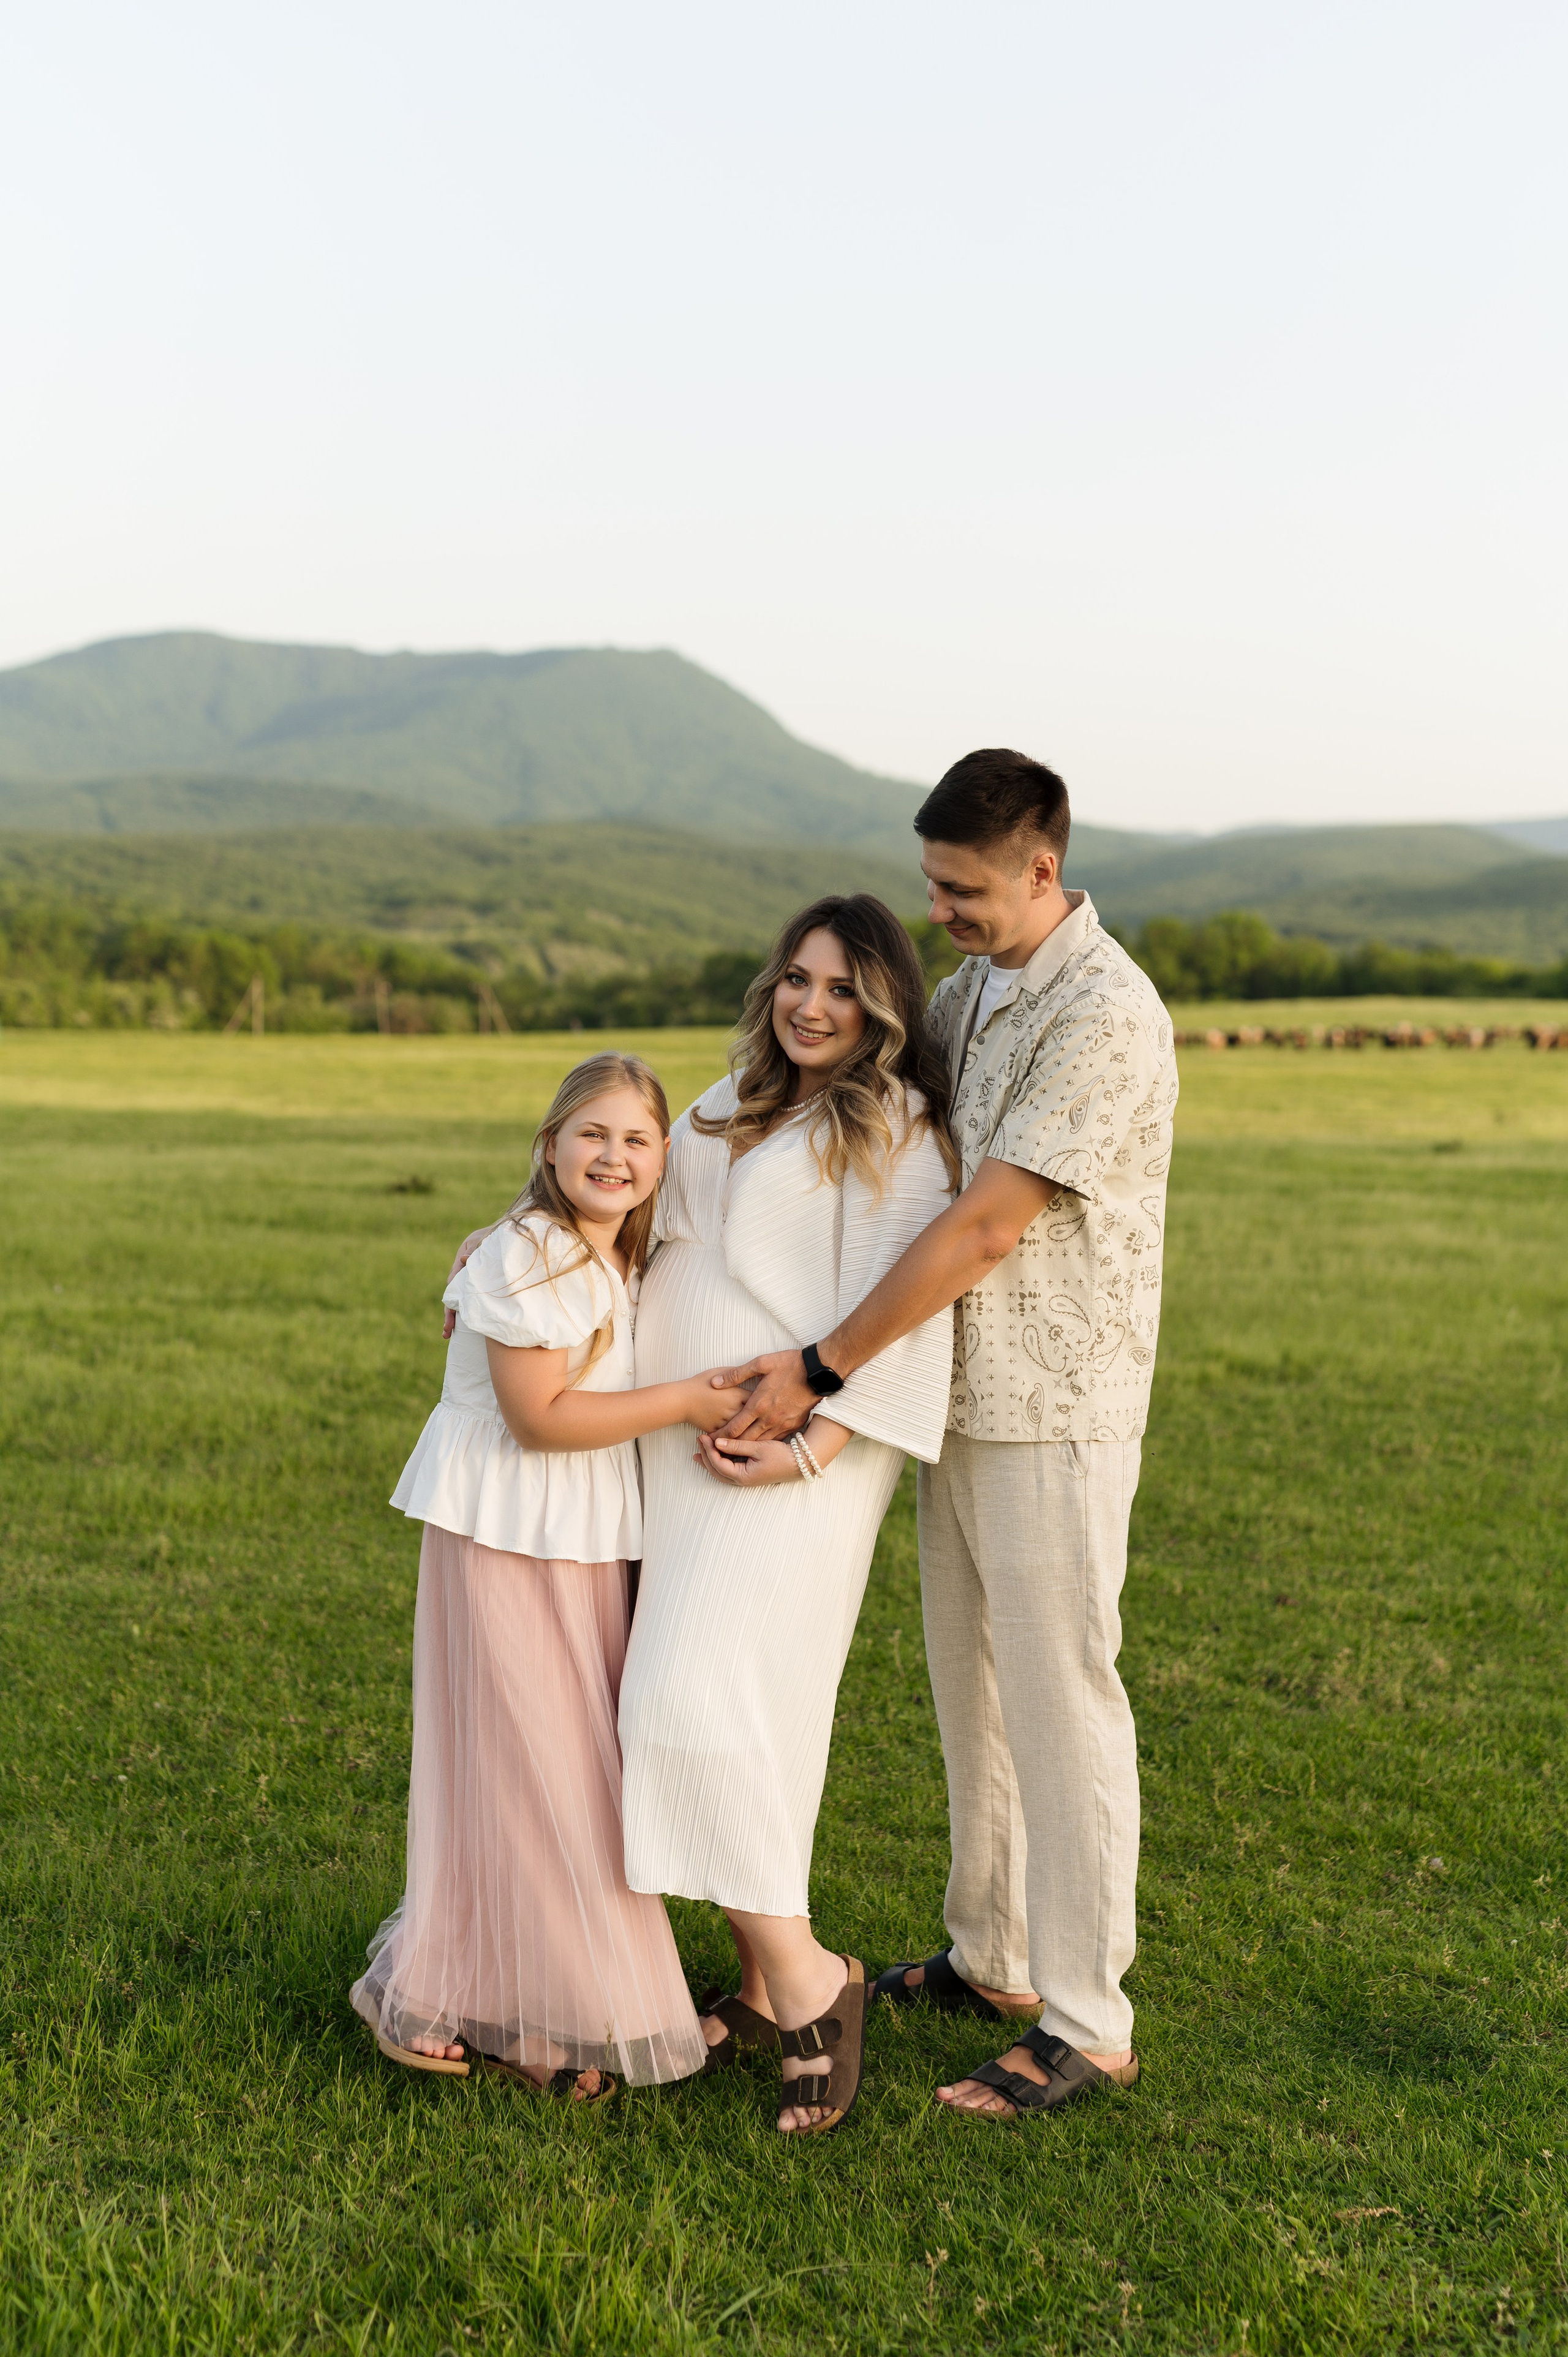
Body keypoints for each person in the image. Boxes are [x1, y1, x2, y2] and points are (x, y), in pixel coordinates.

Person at [712, 751, 1178, 2120]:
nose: (941, 912)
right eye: (932, 885)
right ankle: (997, 1958)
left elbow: (982, 1222)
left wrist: (818, 1368)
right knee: (968, 1690)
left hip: (1059, 1406)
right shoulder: (967, 995)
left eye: (963, 889)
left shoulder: (1107, 1013)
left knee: (1062, 1700)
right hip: (954, 1398)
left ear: (1042, 868)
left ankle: (1090, 2024)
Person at [617, 895, 959, 2135]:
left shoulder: (902, 1131)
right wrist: (502, 1261)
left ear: (884, 1009)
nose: (812, 1005)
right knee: (737, 1712)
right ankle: (763, 1986)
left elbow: (918, 1309)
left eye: (844, 989)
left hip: (795, 1459)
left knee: (684, 1698)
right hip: (677, 1447)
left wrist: (814, 1441)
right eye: (797, 979)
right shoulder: (722, 1099)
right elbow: (625, 1210)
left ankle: (815, 1978)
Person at [351, 1051, 748, 2100]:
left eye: (636, 1140)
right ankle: (477, 1999)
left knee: (566, 1769)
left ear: (665, 1158)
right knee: (528, 1768)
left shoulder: (613, 1252)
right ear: (549, 1146)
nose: (614, 1157)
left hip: (577, 1538)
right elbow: (539, 1419)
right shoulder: (527, 1254)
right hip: (507, 1535)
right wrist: (690, 1400)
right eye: (592, 1135)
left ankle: (535, 1997)